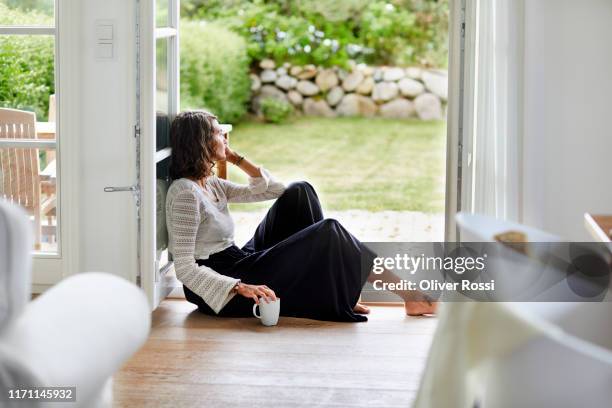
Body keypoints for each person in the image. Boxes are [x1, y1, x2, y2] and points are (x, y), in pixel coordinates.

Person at [165, 110, 436, 322]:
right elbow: (186, 269)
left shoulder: (209, 183)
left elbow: (272, 190)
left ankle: (336, 292)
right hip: (223, 283)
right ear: (200, 142)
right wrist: (239, 287)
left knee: (299, 191)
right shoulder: (186, 194)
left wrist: (235, 158)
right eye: (217, 133)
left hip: (237, 259)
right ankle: (411, 296)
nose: (225, 136)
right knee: (329, 231)